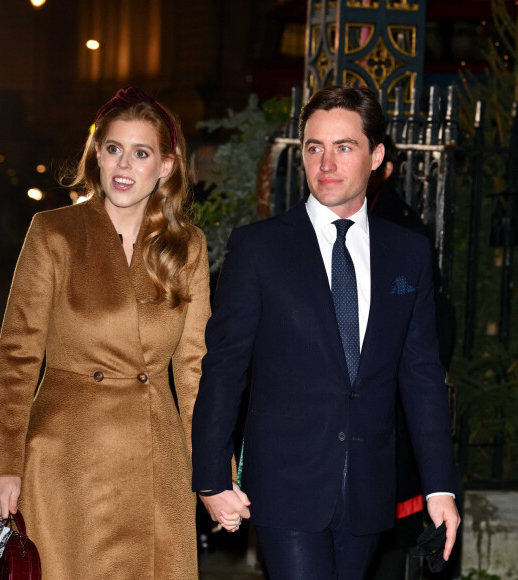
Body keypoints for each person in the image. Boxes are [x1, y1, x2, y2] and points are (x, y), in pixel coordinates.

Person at [191, 86, 460, 580]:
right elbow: (224, 366)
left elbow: (422, 375)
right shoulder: (259, 249)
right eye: (314, 147)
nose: (326, 162)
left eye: (344, 146)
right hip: (283, 485)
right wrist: (211, 477)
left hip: (366, 487)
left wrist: (439, 486)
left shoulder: (408, 253)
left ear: (377, 156)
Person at [0, 86, 210, 579]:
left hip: (156, 460)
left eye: (141, 152)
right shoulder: (54, 232)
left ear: (166, 167)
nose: (124, 164)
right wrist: (6, 462)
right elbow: (17, 355)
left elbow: (194, 370)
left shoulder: (187, 247)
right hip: (66, 458)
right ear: (97, 156)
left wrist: (210, 473)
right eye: (113, 149)